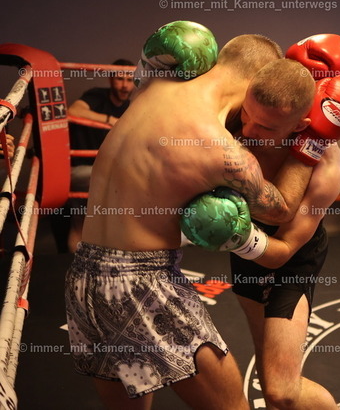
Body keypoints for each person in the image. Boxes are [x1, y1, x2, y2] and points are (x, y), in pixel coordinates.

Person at [64, 32, 316, 409]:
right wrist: (315, 141)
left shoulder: (154, 83)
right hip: (143, 285)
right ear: (258, 84)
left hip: (83, 278)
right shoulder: (220, 150)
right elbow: (279, 210)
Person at [181, 35, 340, 409]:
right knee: (268, 375)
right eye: (247, 117)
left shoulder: (326, 168)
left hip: (291, 258)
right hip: (248, 256)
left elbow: (282, 251)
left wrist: (237, 235)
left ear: (301, 125)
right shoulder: (239, 117)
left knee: (281, 391)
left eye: (266, 128)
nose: (249, 132)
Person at [63, 59, 135, 253]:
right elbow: (73, 111)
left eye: (129, 79)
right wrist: (110, 120)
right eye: (120, 79)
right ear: (111, 79)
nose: (124, 85)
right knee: (82, 224)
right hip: (80, 169)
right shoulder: (97, 95)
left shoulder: (129, 107)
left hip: (104, 173)